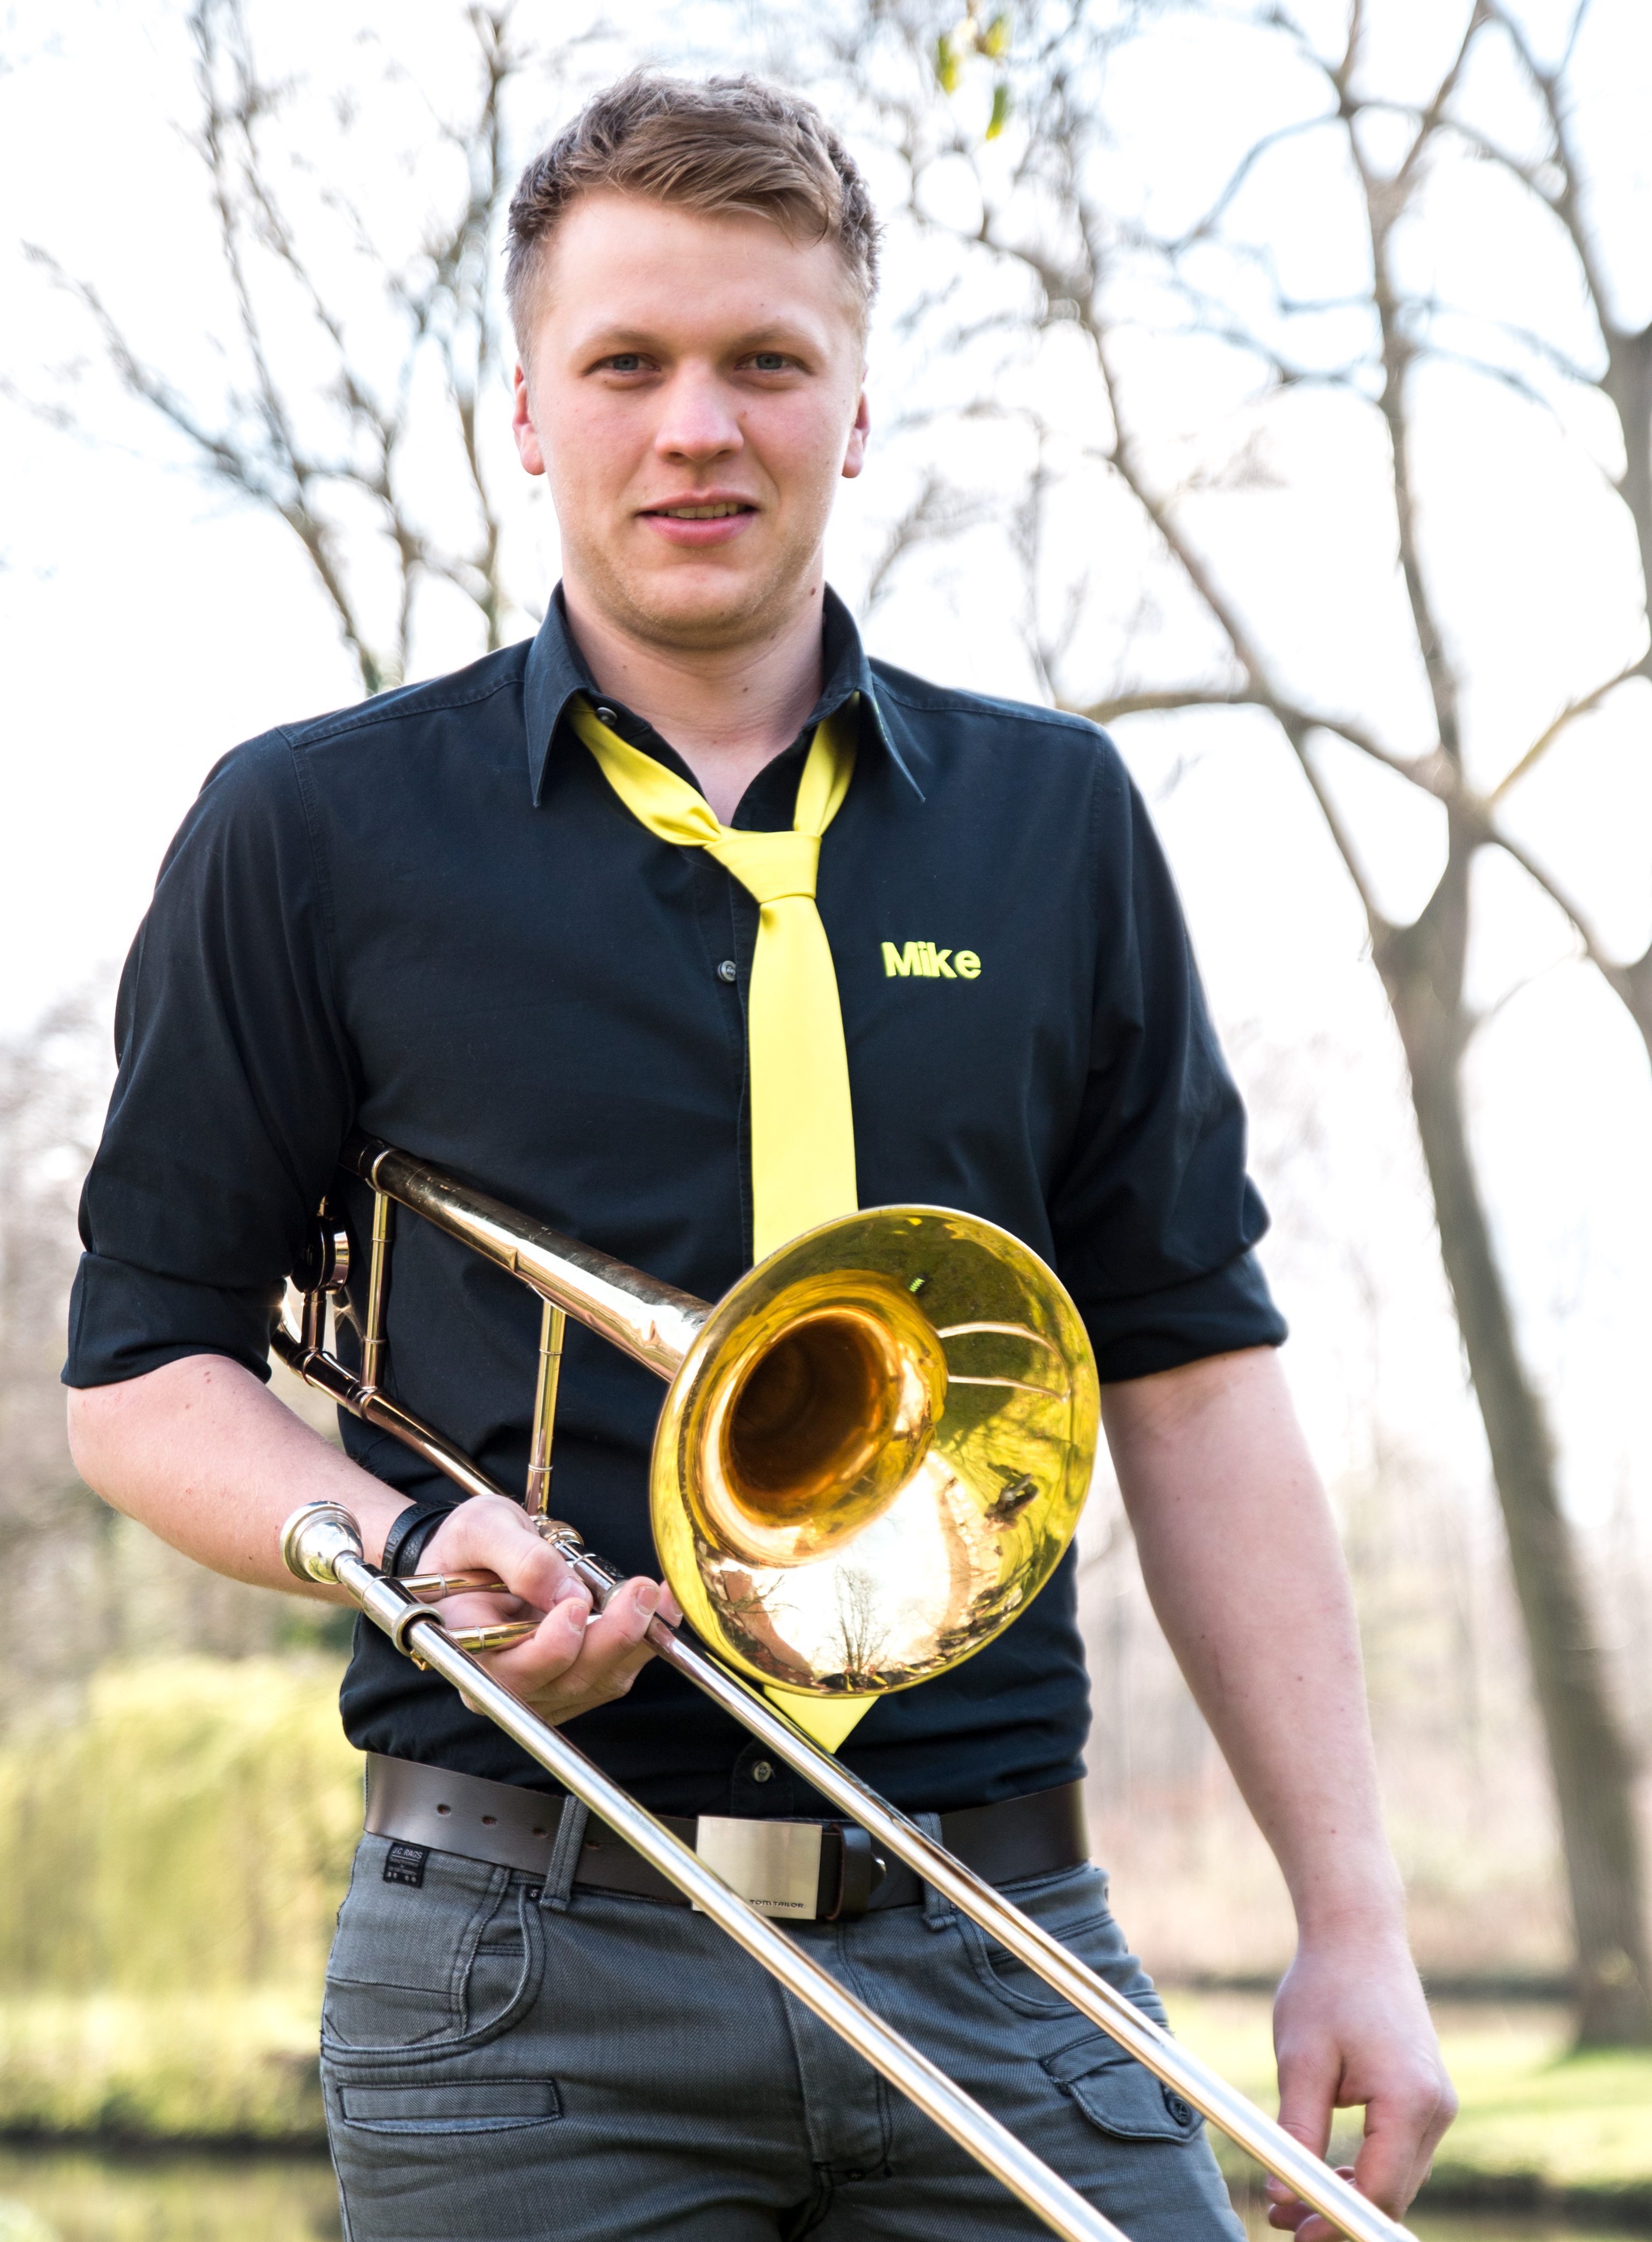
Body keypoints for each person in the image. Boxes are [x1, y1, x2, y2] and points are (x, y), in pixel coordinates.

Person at [64, 71, 1453, 2242]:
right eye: (625, 363)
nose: (695, 429)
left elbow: (1188, 1375)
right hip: (519, 1974)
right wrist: (401, 1549)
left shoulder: (1054, 823)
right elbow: (141, 1373)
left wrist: (1349, 1916)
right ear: (528, 412)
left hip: (997, 1930)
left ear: (855, 408)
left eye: (764, 364)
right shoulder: (312, 830)